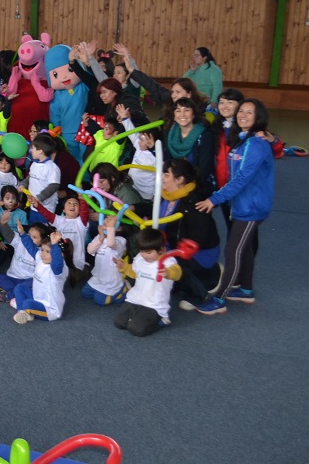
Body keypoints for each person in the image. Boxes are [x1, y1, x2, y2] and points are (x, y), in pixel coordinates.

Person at [194, 99, 274, 315]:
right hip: (241, 205)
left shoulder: (256, 144)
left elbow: (240, 179)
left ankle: (220, 299)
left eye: (250, 112)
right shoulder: (243, 139)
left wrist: (214, 199)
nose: (243, 115)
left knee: (233, 250)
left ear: (259, 118)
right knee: (244, 248)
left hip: (251, 208)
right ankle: (246, 290)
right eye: (242, 111)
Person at [158, 158, 221, 310]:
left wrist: (169, 252)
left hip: (199, 251)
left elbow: (199, 237)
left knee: (173, 264)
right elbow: (154, 212)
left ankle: (202, 297)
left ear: (180, 180)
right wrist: (134, 208)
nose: (162, 178)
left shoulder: (194, 203)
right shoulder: (168, 195)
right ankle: (184, 282)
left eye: (166, 175)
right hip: (173, 244)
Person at [113, 228, 181, 336]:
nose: (144, 255)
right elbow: (135, 273)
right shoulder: (140, 258)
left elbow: (177, 273)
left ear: (161, 250)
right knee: (119, 323)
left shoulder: (168, 261)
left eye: (148, 252)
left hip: (154, 304)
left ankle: (162, 321)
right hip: (136, 298)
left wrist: (168, 273)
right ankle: (139, 315)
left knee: (136, 330)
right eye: (141, 251)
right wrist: (124, 266)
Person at [11, 229, 71, 324]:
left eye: (48, 252)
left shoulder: (58, 270)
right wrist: (22, 233)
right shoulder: (41, 260)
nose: (43, 253)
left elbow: (57, 262)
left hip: (49, 309)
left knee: (27, 303)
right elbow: (31, 248)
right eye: (42, 250)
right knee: (19, 288)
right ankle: (23, 312)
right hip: (36, 298)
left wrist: (55, 244)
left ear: (60, 255)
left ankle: (24, 308)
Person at [81, 217, 129, 306]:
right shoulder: (99, 236)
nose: (106, 221)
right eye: (106, 218)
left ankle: (122, 290)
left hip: (111, 279)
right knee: (85, 293)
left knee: (99, 301)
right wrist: (100, 238)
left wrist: (110, 228)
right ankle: (100, 290)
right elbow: (90, 250)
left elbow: (111, 244)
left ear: (119, 228)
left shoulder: (120, 240)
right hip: (99, 276)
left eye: (111, 221)